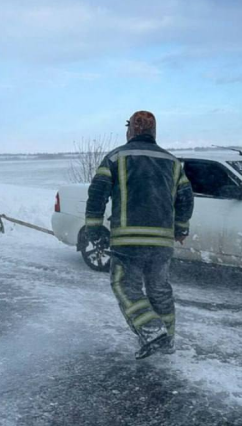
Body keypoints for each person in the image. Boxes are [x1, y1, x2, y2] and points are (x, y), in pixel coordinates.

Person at [85, 110, 194, 359]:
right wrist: (181, 228)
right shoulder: (173, 162)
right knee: (160, 289)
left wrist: (93, 228)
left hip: (128, 241)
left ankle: (152, 331)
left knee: (124, 285)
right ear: (154, 132)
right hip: (162, 242)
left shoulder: (115, 158)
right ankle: (168, 341)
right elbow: (186, 198)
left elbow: (97, 194)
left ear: (131, 131)